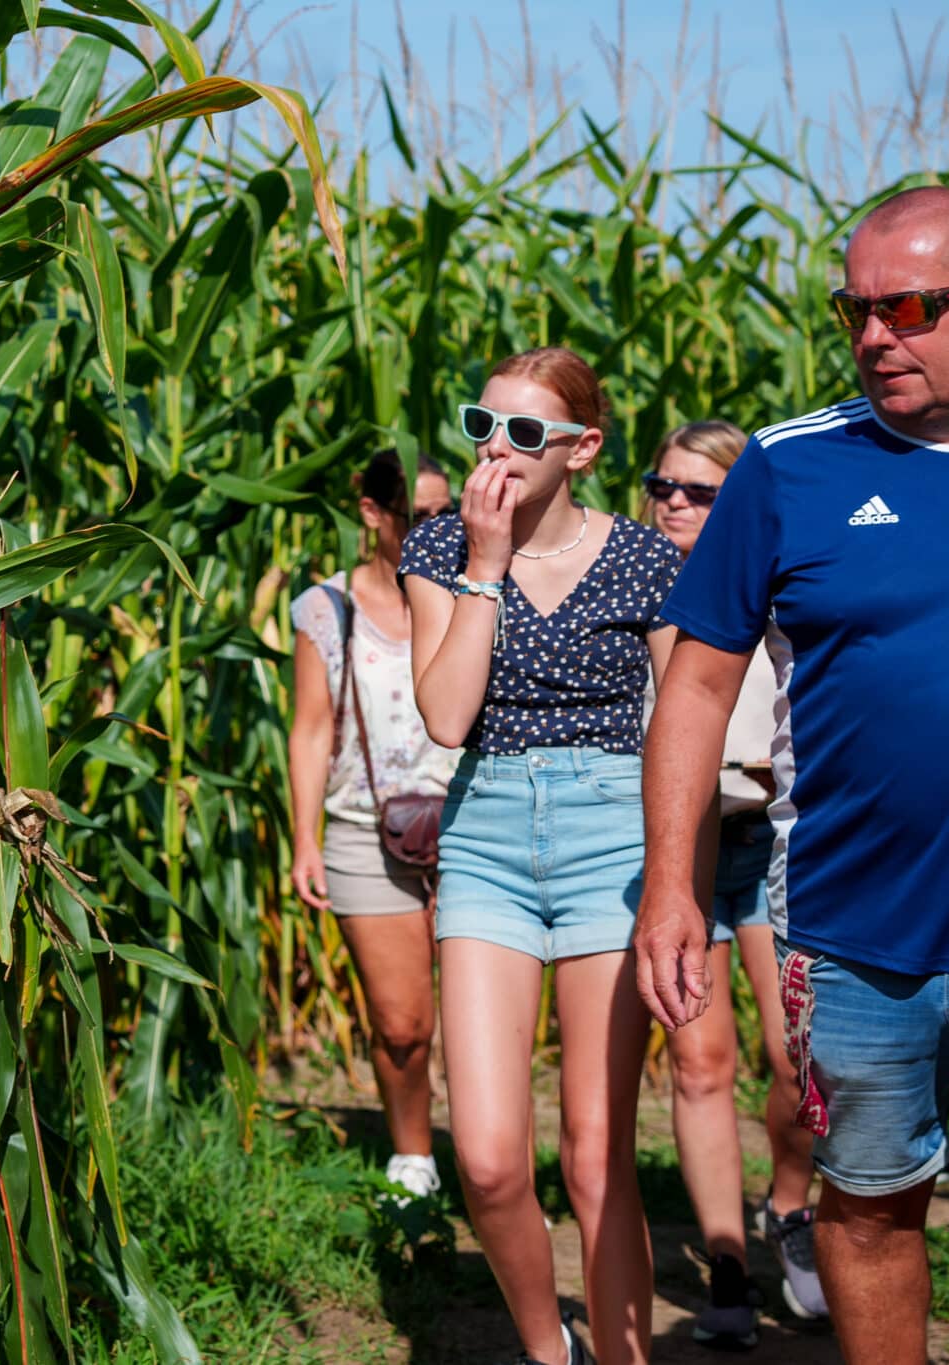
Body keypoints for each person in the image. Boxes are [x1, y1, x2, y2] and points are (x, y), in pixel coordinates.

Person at [636, 185, 949, 1365]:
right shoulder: (789, 470)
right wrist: (669, 884)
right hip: (845, 929)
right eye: (852, 310)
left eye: (906, 308)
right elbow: (698, 687)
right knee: (865, 1214)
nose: (872, 337)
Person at [402, 347, 685, 1365]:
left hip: (614, 830)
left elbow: (681, 731)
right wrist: (483, 568)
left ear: (582, 450)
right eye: (485, 426)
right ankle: (543, 1348)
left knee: (598, 1160)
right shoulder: (438, 551)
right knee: (482, 1158)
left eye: (525, 433)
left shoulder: (649, 563)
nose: (497, 451)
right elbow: (443, 715)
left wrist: (674, 878)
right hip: (484, 832)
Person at [642, 422, 826, 1347]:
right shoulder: (634, 585)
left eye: (699, 491)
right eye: (662, 485)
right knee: (698, 1060)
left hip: (772, 839)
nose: (675, 501)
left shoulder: (783, 576)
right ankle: (724, 1258)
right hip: (680, 851)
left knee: (799, 1058)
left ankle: (788, 1204)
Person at [289, 449, 458, 1201]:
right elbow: (311, 730)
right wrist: (303, 839)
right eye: (417, 517)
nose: (435, 529)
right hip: (365, 827)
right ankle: (413, 1154)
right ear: (372, 514)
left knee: (482, 1018)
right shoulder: (329, 608)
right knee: (401, 1021)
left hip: (473, 828)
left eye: (444, 514)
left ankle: (497, 1159)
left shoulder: (473, 593)